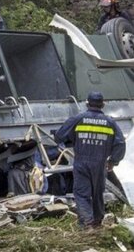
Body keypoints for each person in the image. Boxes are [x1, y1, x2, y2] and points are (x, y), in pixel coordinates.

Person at [55, 91, 125, 229]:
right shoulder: (110, 122)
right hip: (100, 163)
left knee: (81, 194)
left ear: (87, 103)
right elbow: (120, 143)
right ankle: (97, 222)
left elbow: (59, 136)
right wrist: (113, 161)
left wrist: (72, 140)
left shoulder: (78, 119)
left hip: (81, 161)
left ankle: (87, 223)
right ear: (103, 104)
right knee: (98, 193)